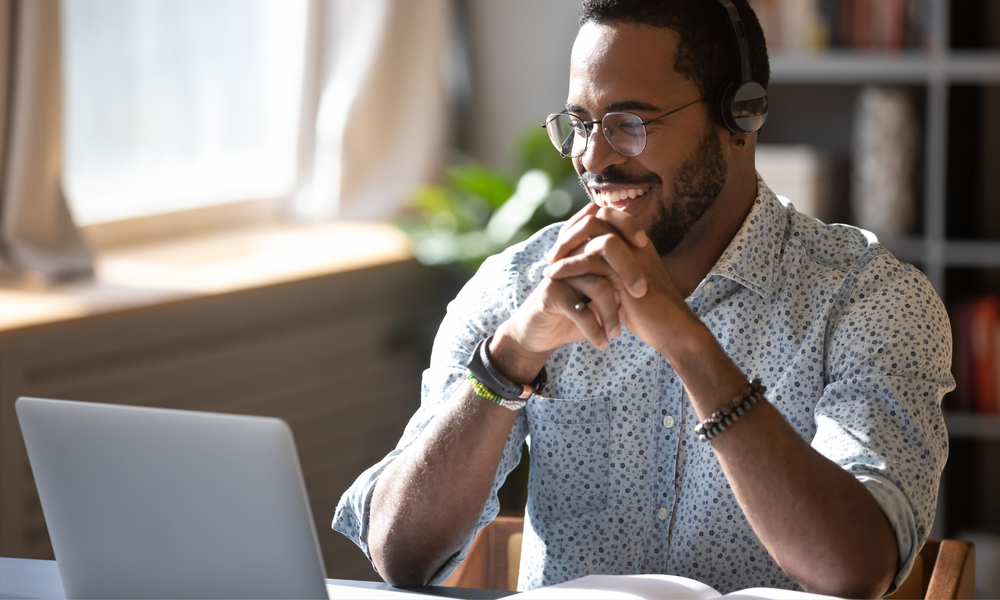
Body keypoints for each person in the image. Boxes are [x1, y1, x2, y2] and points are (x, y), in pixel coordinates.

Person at [334, 1, 954, 597]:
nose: (593, 160)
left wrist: (687, 343)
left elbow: (855, 567)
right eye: (580, 124)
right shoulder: (520, 287)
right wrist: (509, 357)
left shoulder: (871, 300)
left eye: (629, 124)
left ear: (741, 116)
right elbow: (401, 556)